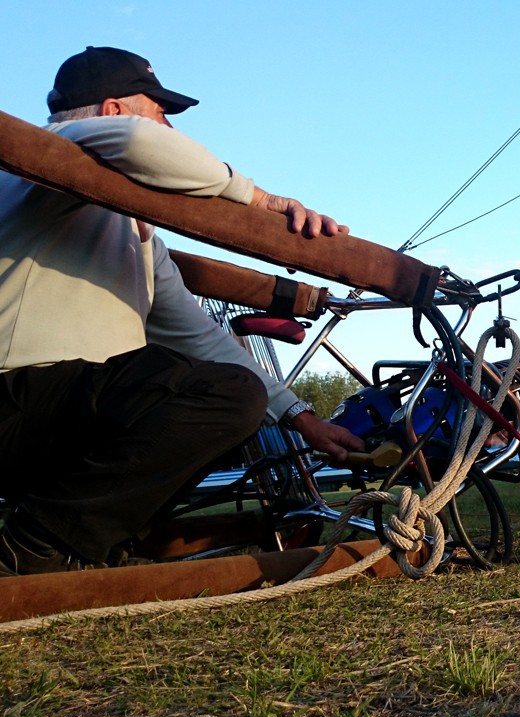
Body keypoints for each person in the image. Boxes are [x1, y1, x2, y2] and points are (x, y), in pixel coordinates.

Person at [0, 46, 366, 576]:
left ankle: (83, 538)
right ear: (111, 111)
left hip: (70, 413)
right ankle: (33, 546)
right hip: (16, 400)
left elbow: (196, 333)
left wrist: (298, 414)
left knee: (230, 398)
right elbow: (140, 141)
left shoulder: (133, 231)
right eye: (160, 111)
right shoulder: (41, 157)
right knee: (222, 392)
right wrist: (261, 200)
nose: (168, 127)